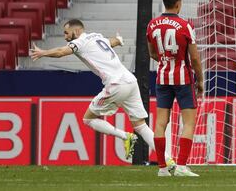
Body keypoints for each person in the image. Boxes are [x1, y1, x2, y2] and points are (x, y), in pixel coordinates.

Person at [30, 19, 175, 167]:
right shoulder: (96, 36)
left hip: (116, 85)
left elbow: (61, 52)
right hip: (131, 81)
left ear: (77, 31)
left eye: (67, 33)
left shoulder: (80, 42)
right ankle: (168, 160)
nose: (65, 37)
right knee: (141, 126)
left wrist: (42, 53)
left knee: (88, 119)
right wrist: (118, 40)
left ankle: (125, 137)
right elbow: (110, 42)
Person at [146, 0, 203, 176]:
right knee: (188, 123)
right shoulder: (186, 25)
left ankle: (162, 167)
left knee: (161, 122)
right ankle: (181, 166)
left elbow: (152, 53)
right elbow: (194, 58)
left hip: (162, 78)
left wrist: (165, 61)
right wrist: (200, 80)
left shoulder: (152, 24)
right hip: (183, 78)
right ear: (178, 3)